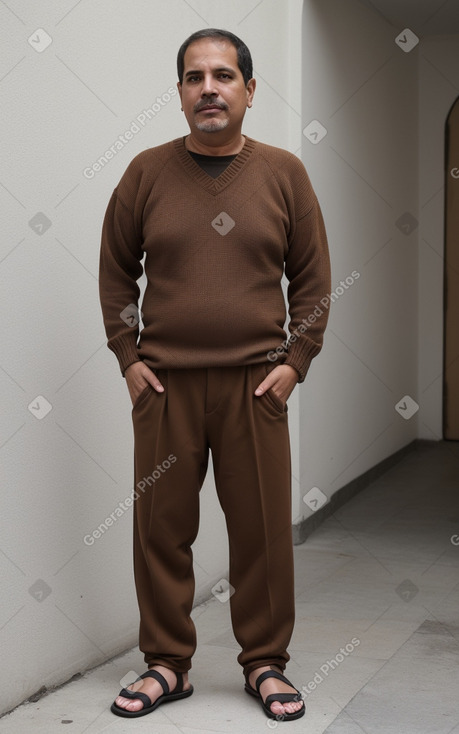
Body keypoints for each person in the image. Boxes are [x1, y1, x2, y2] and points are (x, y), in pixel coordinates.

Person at [99, 28, 331, 723]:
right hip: (165, 386)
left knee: (259, 531)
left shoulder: (283, 173)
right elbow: (116, 271)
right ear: (178, 94)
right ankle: (166, 664)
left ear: (249, 91)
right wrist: (129, 357)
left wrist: (295, 362)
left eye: (224, 76)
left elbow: (314, 279)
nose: (209, 88)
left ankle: (264, 663)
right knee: (161, 530)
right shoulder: (145, 173)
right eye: (195, 77)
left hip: (254, 388)